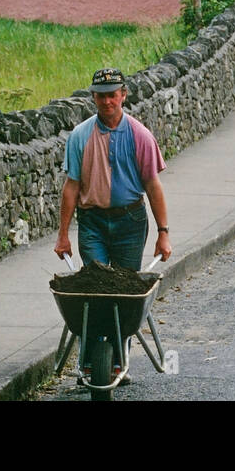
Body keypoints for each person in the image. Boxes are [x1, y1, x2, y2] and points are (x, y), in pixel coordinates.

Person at [55, 67, 172, 379]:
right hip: (92, 221)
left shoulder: (140, 136)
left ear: (123, 95)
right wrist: (63, 234)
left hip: (130, 222)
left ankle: (119, 358)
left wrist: (163, 233)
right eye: (101, 95)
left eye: (112, 95)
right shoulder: (80, 136)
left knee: (122, 293)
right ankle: (94, 357)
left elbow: (153, 185)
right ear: (93, 97)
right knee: (96, 290)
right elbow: (71, 187)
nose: (107, 101)